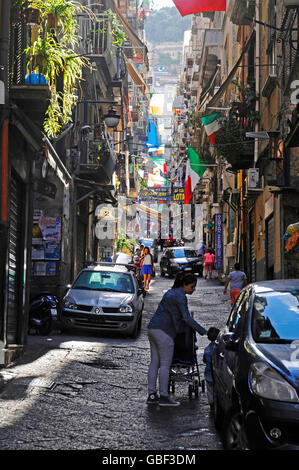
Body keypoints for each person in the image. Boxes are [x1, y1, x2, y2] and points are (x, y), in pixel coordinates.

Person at [147, 272, 207, 407]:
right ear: (184, 285)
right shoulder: (180, 296)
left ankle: (152, 394)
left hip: (153, 328)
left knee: (154, 363)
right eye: (192, 287)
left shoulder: (170, 293)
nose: (194, 289)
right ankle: (164, 396)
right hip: (165, 332)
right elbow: (186, 317)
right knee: (165, 364)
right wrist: (203, 331)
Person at [203, 327, 220, 409]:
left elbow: (204, 360)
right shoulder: (218, 349)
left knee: (210, 389)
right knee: (217, 389)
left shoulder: (206, 349)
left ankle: (211, 403)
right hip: (216, 373)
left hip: (208, 373)